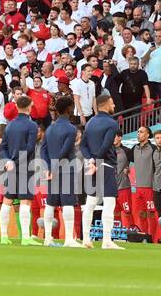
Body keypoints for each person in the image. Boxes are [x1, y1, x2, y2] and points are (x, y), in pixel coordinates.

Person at [80, 90, 123, 249]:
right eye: (112, 103)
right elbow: (106, 145)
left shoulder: (90, 122)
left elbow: (83, 146)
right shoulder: (112, 123)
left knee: (90, 202)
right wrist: (97, 161)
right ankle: (106, 241)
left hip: (93, 165)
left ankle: (86, 239)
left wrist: (91, 160)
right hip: (106, 165)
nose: (114, 105)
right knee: (109, 203)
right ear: (105, 105)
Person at [40, 94, 82, 247]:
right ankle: (69, 239)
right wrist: (54, 167)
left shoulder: (50, 128)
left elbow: (43, 150)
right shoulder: (71, 128)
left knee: (50, 203)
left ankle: (48, 238)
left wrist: (48, 167)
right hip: (66, 169)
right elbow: (64, 150)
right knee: (68, 204)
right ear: (69, 108)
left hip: (52, 171)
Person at [0, 93, 38, 244]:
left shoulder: (10, 125)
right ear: (29, 106)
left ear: (16, 106)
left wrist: (8, 160)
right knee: (25, 202)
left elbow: (3, 147)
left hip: (11, 167)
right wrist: (15, 162)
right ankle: (26, 238)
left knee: (7, 201)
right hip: (25, 167)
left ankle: (4, 237)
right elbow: (30, 148)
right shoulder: (32, 125)